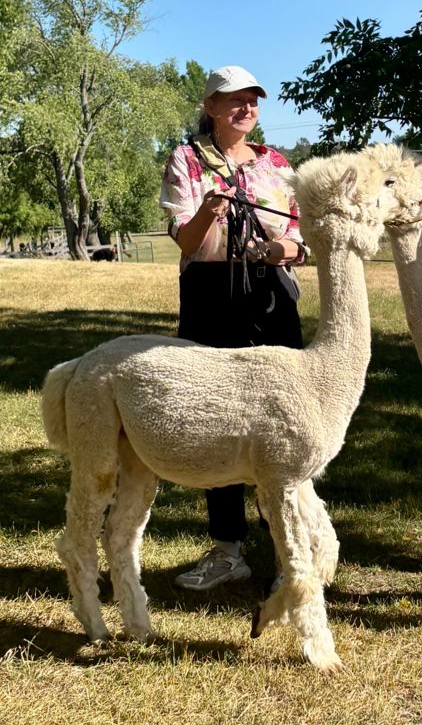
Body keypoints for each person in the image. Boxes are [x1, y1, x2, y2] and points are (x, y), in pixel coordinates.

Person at [160, 65, 306, 591]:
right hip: (209, 294)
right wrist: (207, 211)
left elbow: (299, 239)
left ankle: (291, 552)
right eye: (234, 100)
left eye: (253, 100)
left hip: (269, 294)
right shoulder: (187, 159)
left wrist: (278, 250)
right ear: (212, 107)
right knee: (217, 420)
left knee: (282, 421)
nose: (246, 108)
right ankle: (228, 549)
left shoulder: (276, 163)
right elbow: (185, 240)